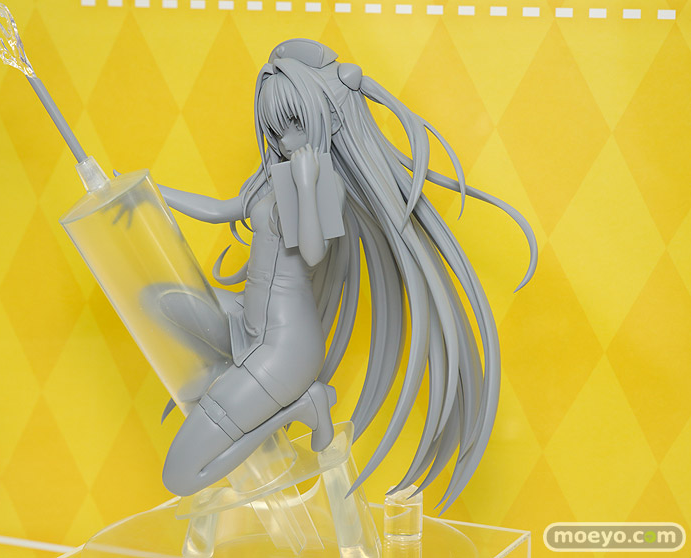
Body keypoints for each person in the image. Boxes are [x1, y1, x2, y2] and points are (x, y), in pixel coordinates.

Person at [156, 38, 536, 511]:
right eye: (275, 129)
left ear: (325, 118)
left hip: (283, 349)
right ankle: (241, 385)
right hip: (247, 323)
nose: (285, 142)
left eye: (295, 125)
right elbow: (219, 210)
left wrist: (308, 183)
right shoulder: (271, 179)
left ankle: (301, 406)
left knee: (180, 476)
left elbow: (313, 252)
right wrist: (146, 191)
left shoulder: (323, 184)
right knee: (159, 299)